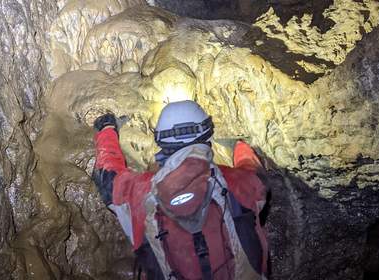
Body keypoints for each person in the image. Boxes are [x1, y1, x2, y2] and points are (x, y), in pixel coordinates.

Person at [92, 100, 268, 280]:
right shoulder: (235, 181)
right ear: (207, 137)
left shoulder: (142, 193)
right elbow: (254, 171)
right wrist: (240, 147)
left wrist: (106, 129)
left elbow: (107, 177)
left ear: (161, 142)